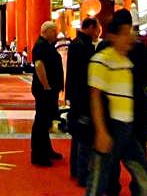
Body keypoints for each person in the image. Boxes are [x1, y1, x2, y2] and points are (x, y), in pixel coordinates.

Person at [86, 10, 147, 196]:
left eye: (130, 32)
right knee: (98, 181)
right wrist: (101, 131)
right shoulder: (102, 60)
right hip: (111, 126)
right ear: (113, 36)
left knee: (146, 178)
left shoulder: (127, 58)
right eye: (125, 33)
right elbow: (95, 96)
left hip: (129, 125)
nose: (130, 37)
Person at [65, 17, 101, 187]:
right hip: (83, 96)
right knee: (84, 137)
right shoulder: (82, 46)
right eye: (97, 28)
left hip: (77, 95)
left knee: (79, 135)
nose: (98, 32)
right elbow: (84, 74)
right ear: (91, 27)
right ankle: (83, 173)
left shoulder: (77, 44)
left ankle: (76, 169)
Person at [30, 20, 64, 166]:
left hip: (49, 89)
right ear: (47, 31)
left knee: (46, 121)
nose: (56, 34)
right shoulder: (40, 46)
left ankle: (47, 150)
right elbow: (39, 65)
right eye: (54, 31)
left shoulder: (47, 45)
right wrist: (46, 86)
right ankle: (38, 155)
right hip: (44, 90)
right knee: (41, 121)